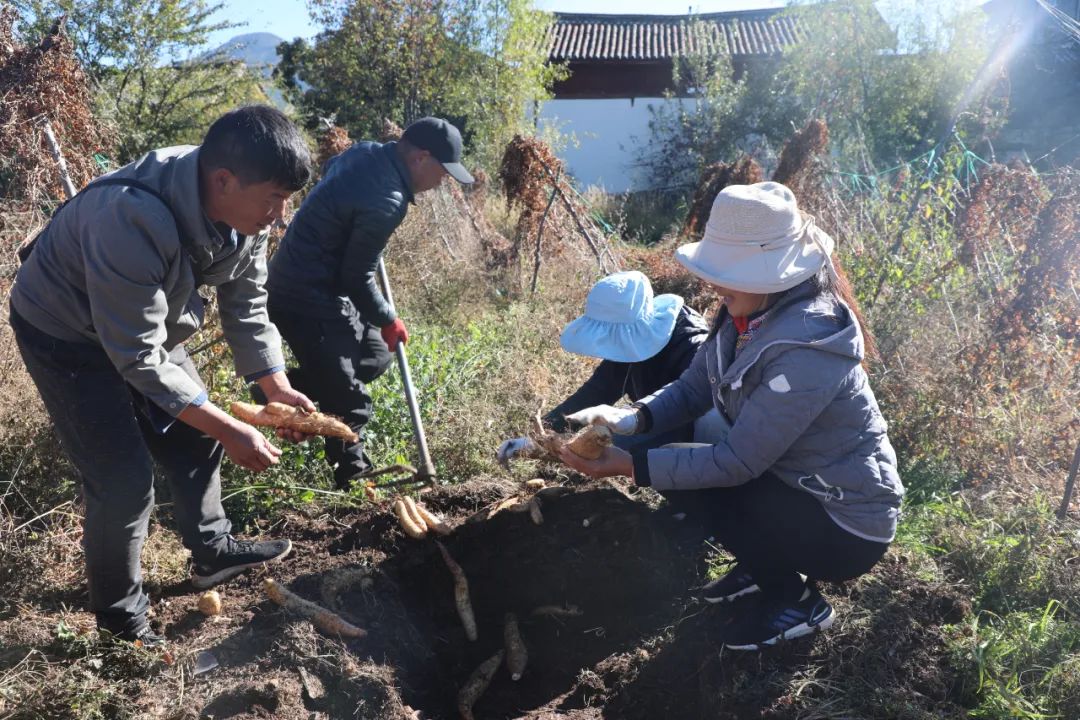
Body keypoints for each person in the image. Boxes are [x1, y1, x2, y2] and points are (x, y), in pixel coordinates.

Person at [9, 105, 315, 645]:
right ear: (224, 181)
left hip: (145, 327)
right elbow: (137, 358)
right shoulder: (129, 216)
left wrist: (275, 384)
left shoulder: (249, 214)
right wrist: (229, 426)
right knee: (124, 483)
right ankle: (119, 620)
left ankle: (212, 551)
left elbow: (246, 302)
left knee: (196, 441)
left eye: (285, 199)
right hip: (66, 333)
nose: (280, 212)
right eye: (273, 198)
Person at [558, 182, 904, 651]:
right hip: (799, 485)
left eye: (726, 272)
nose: (713, 284)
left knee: (706, 482)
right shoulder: (744, 315)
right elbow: (692, 389)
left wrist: (631, 465)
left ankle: (798, 602)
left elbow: (736, 463)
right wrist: (631, 420)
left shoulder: (808, 347)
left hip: (845, 522)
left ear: (768, 274)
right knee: (687, 469)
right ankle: (764, 565)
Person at [266, 117, 474, 488]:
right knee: (351, 402)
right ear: (421, 158)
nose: (442, 182)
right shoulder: (387, 200)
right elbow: (356, 277)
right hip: (304, 296)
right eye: (443, 173)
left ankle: (286, 390)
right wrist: (388, 316)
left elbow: (333, 167)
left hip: (327, 289)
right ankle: (353, 480)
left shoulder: (365, 152)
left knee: (377, 354)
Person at [496, 270, 714, 467]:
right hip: (647, 420)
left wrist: (606, 445)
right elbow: (598, 391)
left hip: (698, 438)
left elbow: (685, 413)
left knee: (610, 446)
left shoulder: (692, 345)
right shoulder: (629, 335)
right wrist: (538, 438)